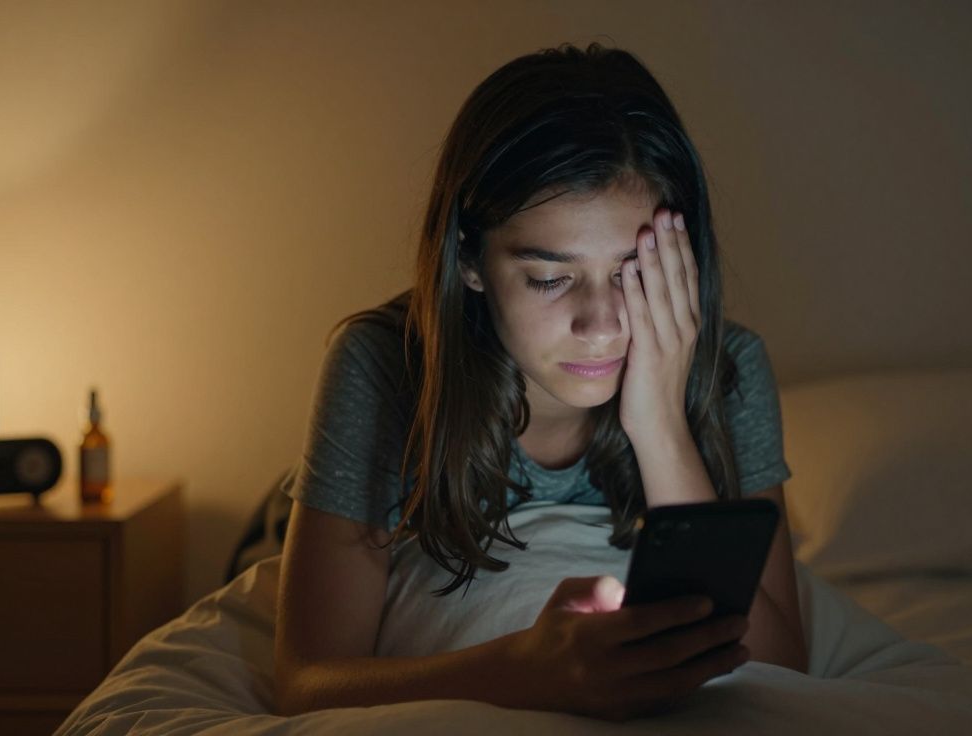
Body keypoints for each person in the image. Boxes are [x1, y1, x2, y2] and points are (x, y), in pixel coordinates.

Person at [273, 42, 806, 722]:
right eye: (551, 277)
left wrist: (661, 425)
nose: (600, 324)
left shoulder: (729, 367)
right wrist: (523, 670)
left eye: (632, 274)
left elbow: (785, 665)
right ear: (469, 260)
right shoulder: (381, 366)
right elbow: (305, 683)